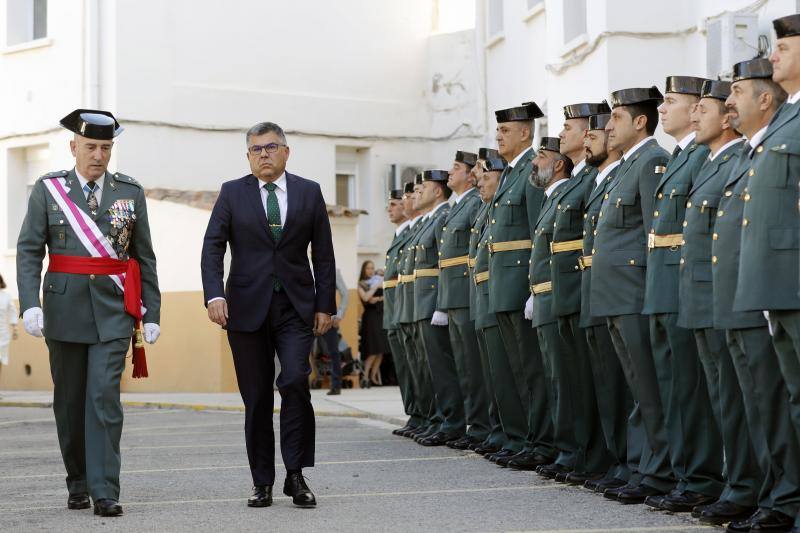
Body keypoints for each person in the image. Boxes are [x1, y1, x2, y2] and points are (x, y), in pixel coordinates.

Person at [16, 109, 161, 517]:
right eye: (92, 147)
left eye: (106, 148)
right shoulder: (49, 191)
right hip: (63, 310)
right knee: (69, 402)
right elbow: (30, 250)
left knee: (103, 399)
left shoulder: (129, 192)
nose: (99, 155)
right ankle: (77, 481)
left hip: (114, 311)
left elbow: (143, 256)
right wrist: (30, 303)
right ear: (73, 147)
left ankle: (105, 490)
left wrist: (151, 312)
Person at [201, 121, 336, 509]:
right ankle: (262, 481)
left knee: (295, 380)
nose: (264, 154)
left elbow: (323, 255)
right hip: (244, 308)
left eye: (272, 147)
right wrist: (213, 295)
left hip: (296, 306)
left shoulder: (309, 193)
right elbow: (213, 248)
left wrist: (325, 304)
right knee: (257, 397)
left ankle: (296, 475)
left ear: (286, 152)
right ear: (248, 156)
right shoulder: (232, 193)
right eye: (257, 149)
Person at [719, 57, 800, 533]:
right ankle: (782, 497)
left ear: (765, 99)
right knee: (783, 400)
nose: (730, 102)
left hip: (788, 280)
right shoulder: (768, 138)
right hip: (770, 285)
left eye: (787, 45)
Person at [591, 87, 674, 505]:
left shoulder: (652, 161)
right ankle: (643, 465)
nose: (608, 125)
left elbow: (652, 234)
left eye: (617, 117)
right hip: (614, 292)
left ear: (640, 121)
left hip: (635, 291)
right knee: (637, 387)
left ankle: (659, 471)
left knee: (650, 386)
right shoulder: (626, 166)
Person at [487, 101, 555, 470]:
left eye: (506, 131)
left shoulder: (531, 171)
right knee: (515, 371)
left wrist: (534, 287)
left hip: (519, 283)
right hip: (502, 283)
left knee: (531, 370)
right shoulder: (511, 173)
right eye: (498, 131)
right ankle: (524, 438)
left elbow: (536, 231)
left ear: (526, 133)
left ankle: (541, 440)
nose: (499, 136)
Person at [548, 102, 612, 484]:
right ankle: (581, 452)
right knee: (573, 380)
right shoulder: (581, 177)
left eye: (572, 127)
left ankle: (597, 456)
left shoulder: (592, 176)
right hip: (570, 287)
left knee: (593, 379)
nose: (564, 135)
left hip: (586, 285)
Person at [579, 112, 632, 493]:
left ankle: (635, 462)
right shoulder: (606, 178)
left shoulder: (639, 166)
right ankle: (618, 460)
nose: (585, 140)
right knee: (605, 382)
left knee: (627, 384)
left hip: (625, 289)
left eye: (591, 134)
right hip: (598, 287)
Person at [525, 137, 577, 481]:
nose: (534, 162)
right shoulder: (550, 197)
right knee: (554, 378)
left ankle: (572, 450)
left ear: (558, 164)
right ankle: (564, 448)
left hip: (558, 295)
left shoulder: (564, 192)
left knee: (565, 378)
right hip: (543, 295)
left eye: (541, 156)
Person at [438, 150, 492, 450]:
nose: (450, 172)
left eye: (456, 167)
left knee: (473, 365)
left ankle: (480, 425)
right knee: (464, 366)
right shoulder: (459, 205)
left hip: (467, 290)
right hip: (454, 293)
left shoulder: (473, 202)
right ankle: (471, 424)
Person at [411, 170, 466, 446]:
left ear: (437, 191)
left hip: (434, 296)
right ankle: (439, 419)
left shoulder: (444, 215)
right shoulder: (432, 218)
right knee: (431, 367)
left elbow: (442, 262)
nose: (418, 193)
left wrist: (440, 304)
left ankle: (452, 421)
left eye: (424, 188)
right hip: (423, 299)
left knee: (443, 367)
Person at [357, 260, 389, 386]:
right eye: (368, 268)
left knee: (381, 349)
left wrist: (378, 298)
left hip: (381, 316)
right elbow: (366, 298)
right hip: (370, 319)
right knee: (373, 350)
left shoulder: (378, 280)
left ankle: (373, 376)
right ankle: (365, 376)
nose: (370, 270)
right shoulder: (362, 284)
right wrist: (375, 286)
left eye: (372, 268)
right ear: (364, 270)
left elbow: (385, 296)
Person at [318, 268, 348, 395]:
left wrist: (339, 314)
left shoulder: (333, 271)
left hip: (328, 318)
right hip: (307, 318)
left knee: (334, 352)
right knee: (301, 351)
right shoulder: (304, 267)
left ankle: (336, 386)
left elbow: (345, 293)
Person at [0, 274, 18, 372]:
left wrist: (15, 329)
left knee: (1, 358)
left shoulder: (6, 296)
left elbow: (12, 311)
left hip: (2, 333)